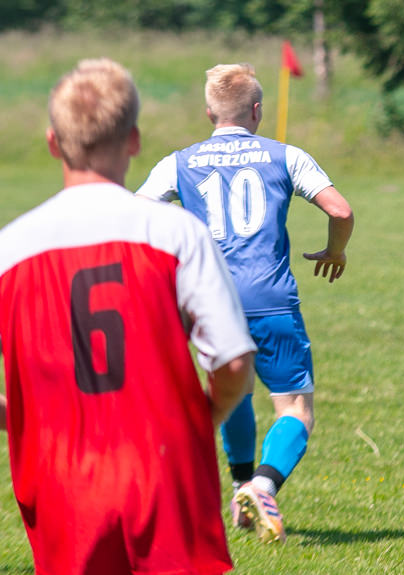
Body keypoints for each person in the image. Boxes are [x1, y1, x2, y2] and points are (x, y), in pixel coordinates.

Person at [0, 58, 257, 575]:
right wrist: (201, 419)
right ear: (134, 139)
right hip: (163, 467)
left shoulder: (10, 250)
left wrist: (21, 418)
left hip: (58, 480)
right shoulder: (176, 233)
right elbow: (233, 362)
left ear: (53, 142)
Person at [137, 63, 354, 543]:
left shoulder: (179, 162)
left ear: (208, 112)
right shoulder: (286, 155)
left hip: (208, 303)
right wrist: (335, 249)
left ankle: (239, 487)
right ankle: (261, 484)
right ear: (257, 110)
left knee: (231, 393)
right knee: (295, 407)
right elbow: (340, 209)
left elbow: (137, 218)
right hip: (271, 299)